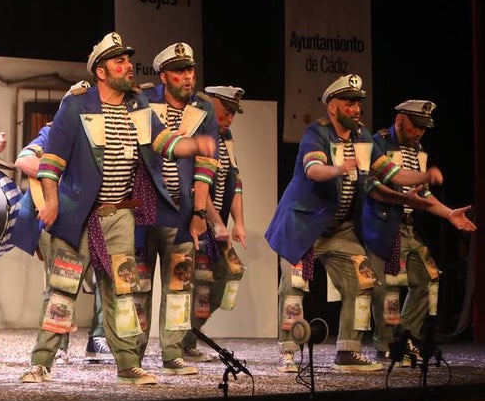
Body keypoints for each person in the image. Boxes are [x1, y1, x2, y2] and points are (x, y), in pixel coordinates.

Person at [18, 32, 218, 386]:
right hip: (78, 214)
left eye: (128, 60)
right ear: (100, 71)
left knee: (123, 291)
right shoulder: (77, 105)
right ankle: (41, 362)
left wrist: (191, 146)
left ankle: (127, 363)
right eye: (119, 62)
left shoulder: (138, 107)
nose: (128, 67)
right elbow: (51, 161)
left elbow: (163, 142)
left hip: (120, 215)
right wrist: (50, 202)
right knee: (63, 289)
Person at [264, 74, 435, 373]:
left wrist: (425, 176)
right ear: (333, 107)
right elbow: (314, 171)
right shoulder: (316, 133)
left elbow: (391, 173)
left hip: (340, 229)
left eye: (358, 103)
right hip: (303, 226)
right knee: (294, 287)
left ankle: (347, 351)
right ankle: (288, 351)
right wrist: (338, 168)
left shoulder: (363, 138)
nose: (356, 109)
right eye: (349, 103)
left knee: (362, 281)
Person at [367, 100, 476, 362]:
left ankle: (405, 338)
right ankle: (385, 345)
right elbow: (374, 186)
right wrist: (411, 194)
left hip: (408, 228)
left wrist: (449, 213)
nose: (419, 133)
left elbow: (424, 195)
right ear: (400, 120)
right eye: (416, 127)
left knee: (428, 279)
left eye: (423, 129)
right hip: (383, 225)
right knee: (387, 287)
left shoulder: (417, 149)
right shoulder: (377, 143)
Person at [139, 42, 220, 376]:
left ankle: (172, 352)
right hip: (144, 211)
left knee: (178, 285)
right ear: (163, 76)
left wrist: (199, 214)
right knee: (138, 287)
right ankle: (132, 355)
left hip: (181, 211)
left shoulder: (204, 108)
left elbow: (206, 164)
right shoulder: (144, 101)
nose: (188, 78)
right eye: (179, 72)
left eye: (190, 71)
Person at [14, 101, 112, 365]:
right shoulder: (53, 131)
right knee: (61, 282)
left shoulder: (104, 131)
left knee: (108, 276)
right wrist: (60, 178)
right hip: (62, 214)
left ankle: (99, 338)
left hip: (98, 215)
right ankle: (58, 345)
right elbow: (24, 160)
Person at [181, 85, 249, 362]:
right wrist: (216, 222)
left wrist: (239, 223)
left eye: (234, 113)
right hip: (199, 220)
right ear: (211, 105)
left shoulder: (227, 137)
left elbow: (236, 182)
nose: (230, 117)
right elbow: (200, 184)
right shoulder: (199, 133)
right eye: (226, 110)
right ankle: (183, 343)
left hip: (217, 223)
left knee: (230, 275)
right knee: (199, 282)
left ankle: (190, 334)